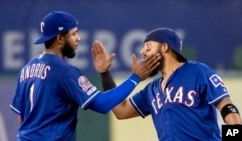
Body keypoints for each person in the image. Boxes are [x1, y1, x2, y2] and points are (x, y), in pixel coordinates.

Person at [10, 11, 161, 141]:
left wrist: (104, 73)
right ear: (60, 39)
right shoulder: (64, 72)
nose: (78, 38)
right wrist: (135, 78)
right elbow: (102, 104)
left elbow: (21, 118)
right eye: (73, 33)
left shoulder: (26, 68)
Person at [93, 27, 242, 141]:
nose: (142, 52)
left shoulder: (198, 71)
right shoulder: (152, 89)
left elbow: (227, 106)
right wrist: (105, 74)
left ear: (164, 47)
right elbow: (121, 111)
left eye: (148, 47)